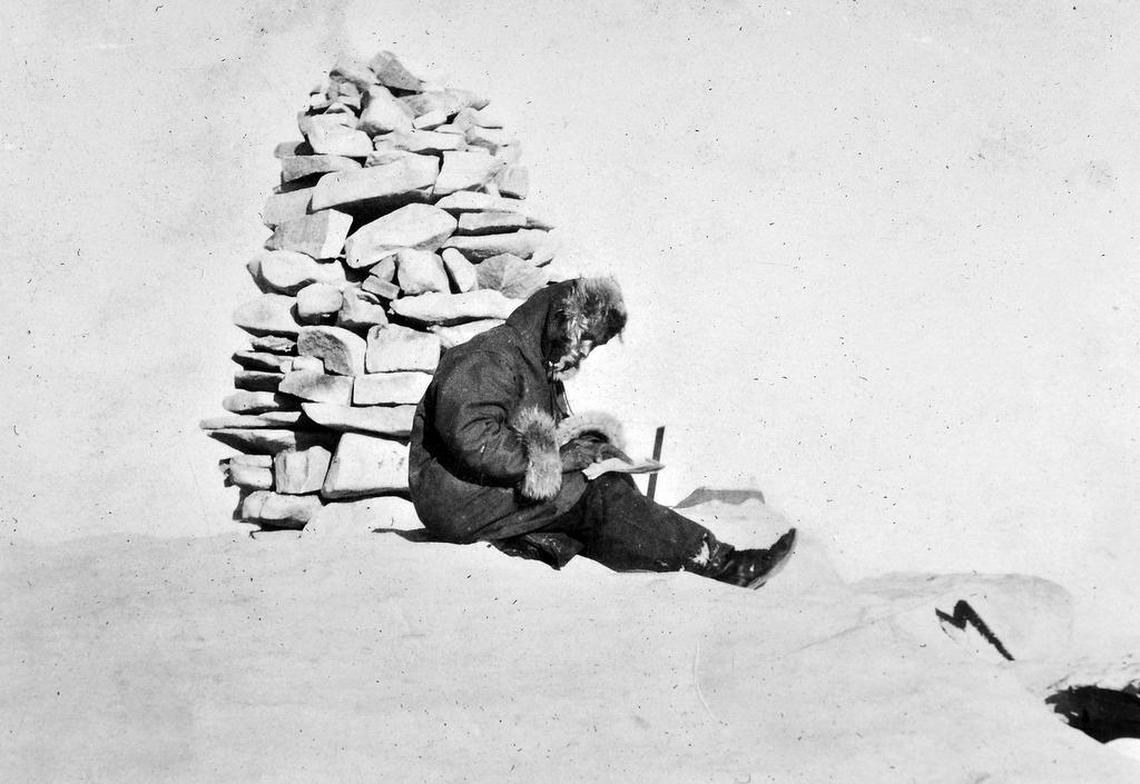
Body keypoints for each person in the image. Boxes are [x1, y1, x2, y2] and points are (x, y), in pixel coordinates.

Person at [407, 276, 796, 588]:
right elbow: (474, 438)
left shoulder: (534, 362)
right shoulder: (491, 356)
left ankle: (666, 543)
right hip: (459, 502)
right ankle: (724, 563)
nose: (587, 351)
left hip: (480, 494)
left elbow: (534, 436)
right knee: (597, 496)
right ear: (564, 322)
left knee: (603, 479)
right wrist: (558, 459)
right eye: (588, 338)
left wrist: (591, 449)